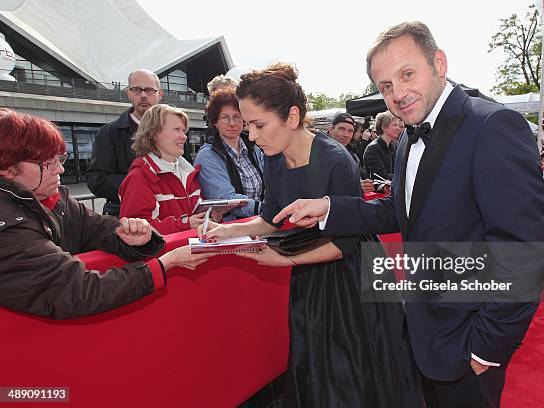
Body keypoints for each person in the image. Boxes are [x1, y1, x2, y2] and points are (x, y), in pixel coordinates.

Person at [274, 21, 544, 408]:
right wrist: (330, 209)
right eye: (385, 85)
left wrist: (487, 347)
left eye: (407, 74)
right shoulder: (407, 135)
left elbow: (525, 251)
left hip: (468, 337)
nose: (397, 93)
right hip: (422, 330)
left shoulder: (491, 125)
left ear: (439, 62)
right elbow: (400, 210)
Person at [200, 63, 423, 407]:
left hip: (354, 276)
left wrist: (284, 258)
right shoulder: (272, 159)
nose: (252, 136)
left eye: (259, 125)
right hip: (310, 275)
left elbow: (347, 242)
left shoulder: (335, 159)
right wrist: (225, 230)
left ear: (291, 117)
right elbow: (270, 220)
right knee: (314, 367)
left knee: (356, 370)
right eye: (248, 126)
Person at [0, 110, 213, 319]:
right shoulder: (8, 225)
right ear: (8, 168)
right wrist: (164, 264)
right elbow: (77, 290)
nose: (60, 170)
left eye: (59, 159)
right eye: (47, 163)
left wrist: (139, 237)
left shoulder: (56, 201)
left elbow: (99, 228)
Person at [118, 104, 217, 235]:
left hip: (192, 249)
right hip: (166, 254)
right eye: (177, 130)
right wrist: (184, 224)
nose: (184, 136)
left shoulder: (189, 172)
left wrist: (209, 216)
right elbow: (135, 231)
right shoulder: (139, 177)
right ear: (154, 134)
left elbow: (195, 214)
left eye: (183, 130)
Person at [87, 69, 163, 216]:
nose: (143, 95)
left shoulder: (173, 131)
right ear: (129, 93)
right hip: (124, 215)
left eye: (149, 90)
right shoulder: (109, 133)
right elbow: (97, 181)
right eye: (136, 90)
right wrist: (142, 184)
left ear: (159, 94)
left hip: (170, 213)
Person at [194, 89, 265, 220]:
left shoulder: (254, 148)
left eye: (237, 117)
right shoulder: (208, 156)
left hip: (261, 221)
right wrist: (264, 209)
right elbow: (227, 200)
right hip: (231, 228)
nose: (232, 123)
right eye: (225, 117)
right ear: (215, 122)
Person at [328, 112, 374, 193]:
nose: (346, 135)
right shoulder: (320, 153)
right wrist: (355, 187)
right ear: (331, 130)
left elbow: (360, 177)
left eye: (350, 131)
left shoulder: (352, 153)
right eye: (341, 129)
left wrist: (365, 184)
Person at [363, 110, 401, 182]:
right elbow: (380, 176)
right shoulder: (373, 149)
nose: (398, 128)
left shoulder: (393, 147)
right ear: (384, 127)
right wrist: (404, 177)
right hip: (377, 191)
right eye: (395, 125)